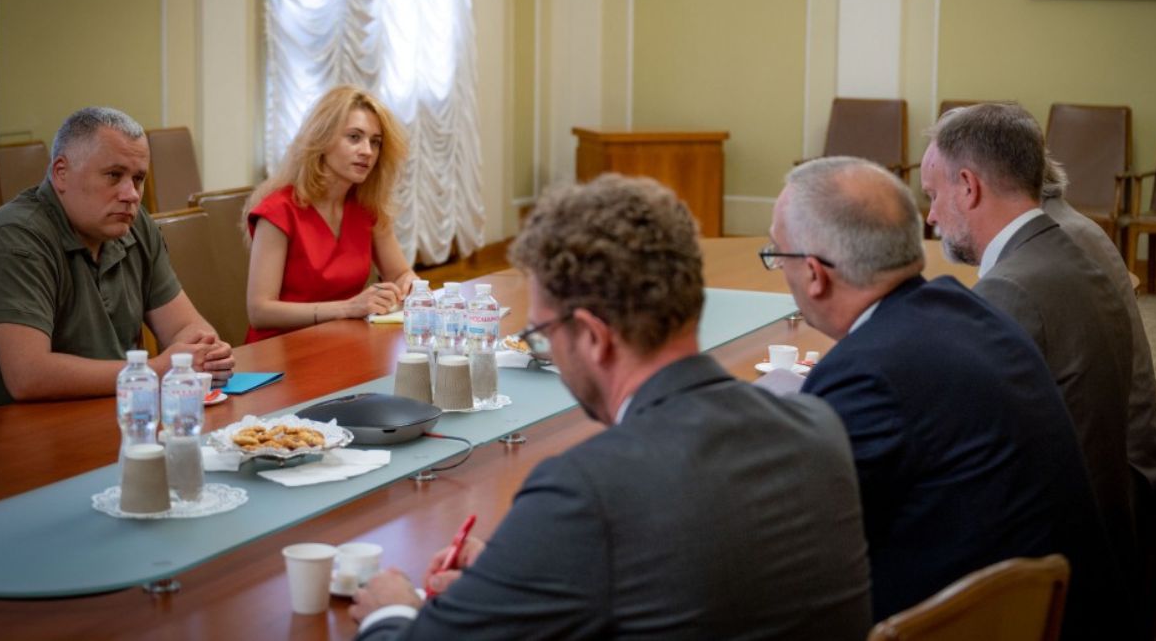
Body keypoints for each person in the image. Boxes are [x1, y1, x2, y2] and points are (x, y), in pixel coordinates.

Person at [350, 174, 872, 640]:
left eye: (542, 333)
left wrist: (389, 612)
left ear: (594, 337)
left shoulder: (585, 491)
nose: (546, 349)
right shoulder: (817, 426)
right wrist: (528, 568)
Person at [774, 156, 1124, 638]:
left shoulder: (865, 374)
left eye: (778, 255)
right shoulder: (971, 311)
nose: (780, 269)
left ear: (814, 274)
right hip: (1066, 609)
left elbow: (802, 544)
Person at [920, 102, 1140, 599]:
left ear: (968, 186)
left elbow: (963, 447)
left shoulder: (1010, 290)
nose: (930, 216)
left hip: (1057, 579)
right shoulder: (1066, 255)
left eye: (933, 195)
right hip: (1102, 538)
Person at [0, 107, 234, 417]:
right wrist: (154, 370)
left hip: (102, 411)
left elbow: (185, 326)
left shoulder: (134, 224)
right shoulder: (15, 237)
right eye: (114, 175)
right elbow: (28, 375)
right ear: (61, 173)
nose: (131, 194)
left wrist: (205, 354)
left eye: (138, 179)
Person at [1042, 156, 1156, 519]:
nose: (931, 215)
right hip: (1138, 456)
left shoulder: (1053, 244)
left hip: (1123, 485)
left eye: (937, 194)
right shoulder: (1070, 224)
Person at [244, 85, 416, 343]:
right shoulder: (278, 210)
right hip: (279, 350)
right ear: (322, 140)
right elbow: (260, 311)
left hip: (342, 342)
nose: (367, 151)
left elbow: (400, 274)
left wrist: (410, 284)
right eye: (354, 137)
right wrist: (347, 308)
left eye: (375, 142)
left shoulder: (366, 207)